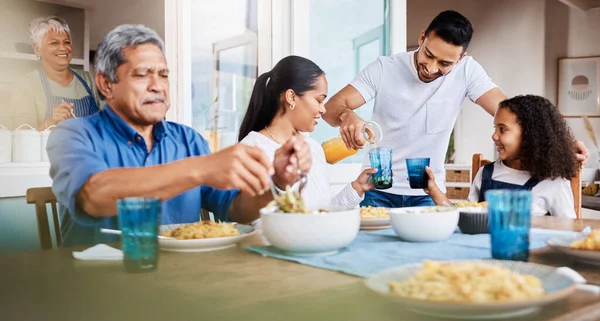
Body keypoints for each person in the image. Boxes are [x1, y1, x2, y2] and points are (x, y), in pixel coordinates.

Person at [47, 24, 311, 247]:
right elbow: (94, 196)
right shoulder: (72, 134)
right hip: (97, 286)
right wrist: (202, 168)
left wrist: (279, 182)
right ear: (106, 84)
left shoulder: (188, 140)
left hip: (184, 282)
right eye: (142, 75)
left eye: (163, 75)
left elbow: (237, 211)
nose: (158, 86)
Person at [322, 10, 588, 209]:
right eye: (428, 55)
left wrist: (563, 140)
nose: (432, 68)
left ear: (460, 59)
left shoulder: (467, 72)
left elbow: (516, 114)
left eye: (445, 63)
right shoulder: (384, 68)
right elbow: (331, 108)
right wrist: (348, 115)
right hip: (377, 191)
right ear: (422, 37)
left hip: (427, 194)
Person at [238, 55, 375, 210]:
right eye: (319, 100)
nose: (323, 109)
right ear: (291, 97)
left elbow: (321, 211)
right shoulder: (252, 148)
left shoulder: (313, 148)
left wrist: (357, 188)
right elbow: (255, 220)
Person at [425, 95, 578, 218]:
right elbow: (463, 217)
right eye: (495, 128)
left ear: (529, 135)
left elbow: (568, 231)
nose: (494, 136)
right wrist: (433, 189)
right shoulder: (486, 173)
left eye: (503, 129)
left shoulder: (553, 182)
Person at [9, 16, 102, 130]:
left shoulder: (88, 79)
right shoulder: (25, 84)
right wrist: (52, 122)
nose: (63, 48)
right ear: (37, 49)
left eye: (67, 42)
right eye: (54, 43)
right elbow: (21, 137)